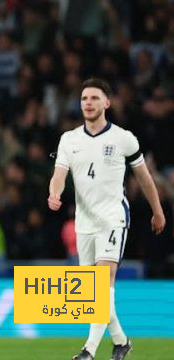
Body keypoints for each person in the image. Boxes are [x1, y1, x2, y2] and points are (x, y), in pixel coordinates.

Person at [48, 78, 165, 360]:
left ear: (107, 103)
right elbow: (59, 175)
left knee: (102, 282)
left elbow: (144, 178)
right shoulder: (69, 139)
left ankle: (88, 351)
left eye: (94, 98)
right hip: (84, 222)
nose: (88, 103)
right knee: (93, 293)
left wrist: (157, 210)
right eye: (84, 98)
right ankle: (121, 341)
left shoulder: (123, 138)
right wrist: (54, 194)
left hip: (113, 217)